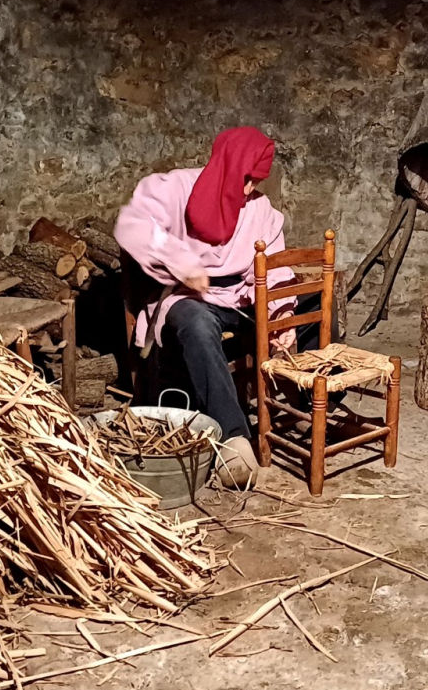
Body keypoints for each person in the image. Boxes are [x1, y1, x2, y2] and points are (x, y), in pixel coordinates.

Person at [115, 127, 299, 488]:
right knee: (196, 323)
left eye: (256, 181)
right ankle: (234, 438)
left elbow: (273, 266)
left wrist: (281, 315)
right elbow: (131, 225)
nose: (248, 189)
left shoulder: (259, 207)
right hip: (189, 296)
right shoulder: (176, 189)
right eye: (246, 179)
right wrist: (181, 262)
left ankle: (305, 401)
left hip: (242, 297)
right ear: (229, 164)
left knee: (316, 306)